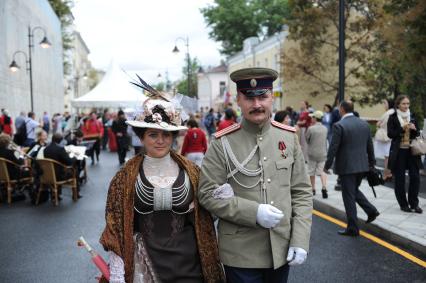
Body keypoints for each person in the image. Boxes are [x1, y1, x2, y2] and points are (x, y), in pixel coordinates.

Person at [99, 87, 224, 283]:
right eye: (153, 135)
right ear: (141, 137)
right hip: (145, 266)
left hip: (190, 265)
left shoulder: (192, 171)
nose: (160, 141)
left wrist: (219, 199)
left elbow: (204, 217)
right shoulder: (124, 177)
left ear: (174, 137)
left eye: (166, 135)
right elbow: (115, 224)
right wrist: (117, 270)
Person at [199, 68, 312, 283]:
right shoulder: (222, 143)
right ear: (238, 100)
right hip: (240, 254)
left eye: (263, 96)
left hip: (281, 249)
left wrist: (300, 239)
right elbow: (207, 193)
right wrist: (254, 212)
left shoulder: (288, 138)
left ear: (272, 98)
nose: (257, 104)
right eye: (249, 98)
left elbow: (302, 192)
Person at [324, 101, 380, 236]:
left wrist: (327, 166)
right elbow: (370, 146)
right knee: (353, 190)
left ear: (342, 109)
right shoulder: (364, 124)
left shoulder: (339, 125)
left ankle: (353, 228)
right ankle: (371, 210)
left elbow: (333, 148)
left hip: (347, 167)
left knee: (348, 196)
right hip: (362, 166)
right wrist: (371, 163)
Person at [387, 95, 423, 214]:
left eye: (408, 103)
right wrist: (403, 128)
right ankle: (403, 204)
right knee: (400, 179)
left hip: (412, 151)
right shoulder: (392, 117)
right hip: (399, 151)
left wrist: (414, 129)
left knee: (415, 177)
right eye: (403, 104)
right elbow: (390, 134)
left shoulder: (412, 116)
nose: (406, 106)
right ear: (398, 104)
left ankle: (414, 204)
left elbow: (418, 133)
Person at [44, 133, 81, 198]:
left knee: (58, 168)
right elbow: (69, 162)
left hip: (48, 174)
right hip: (59, 176)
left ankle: (56, 195)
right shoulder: (60, 149)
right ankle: (76, 194)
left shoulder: (46, 149)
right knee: (75, 171)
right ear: (60, 141)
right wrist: (75, 156)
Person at [306, 111, 328, 198]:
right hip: (322, 153)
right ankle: (324, 187)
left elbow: (307, 139)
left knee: (311, 171)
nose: (311, 118)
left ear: (315, 118)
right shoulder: (325, 128)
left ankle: (313, 189)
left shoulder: (311, 129)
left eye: (312, 117)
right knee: (322, 171)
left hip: (312, 153)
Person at [374, 99, 395, 181]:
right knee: (389, 156)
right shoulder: (394, 112)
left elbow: (379, 123)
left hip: (387, 137)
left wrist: (379, 124)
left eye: (385, 103)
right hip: (391, 137)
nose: (384, 105)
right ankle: (389, 174)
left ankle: (386, 174)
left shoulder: (388, 113)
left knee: (387, 157)